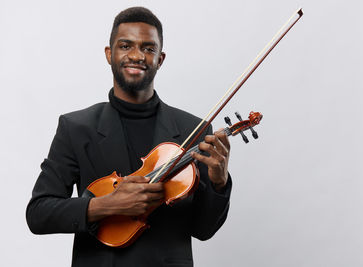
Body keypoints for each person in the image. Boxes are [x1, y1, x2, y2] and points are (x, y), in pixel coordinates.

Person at [26, 6, 232, 267]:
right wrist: (106, 205)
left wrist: (219, 183)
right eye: (126, 46)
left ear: (160, 58)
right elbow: (38, 214)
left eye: (148, 48)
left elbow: (204, 230)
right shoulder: (75, 127)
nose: (137, 55)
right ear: (109, 54)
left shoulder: (194, 130)